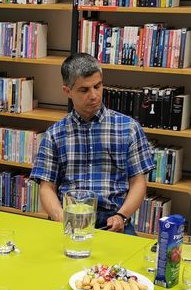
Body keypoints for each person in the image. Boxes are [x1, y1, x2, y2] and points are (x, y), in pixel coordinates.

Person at [30, 52, 154, 233]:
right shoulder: (54, 135)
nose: (94, 95)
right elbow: (47, 187)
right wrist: (61, 217)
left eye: (97, 86)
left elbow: (138, 182)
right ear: (67, 91)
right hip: (70, 217)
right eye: (84, 90)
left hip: (114, 218)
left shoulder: (128, 128)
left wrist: (122, 215)